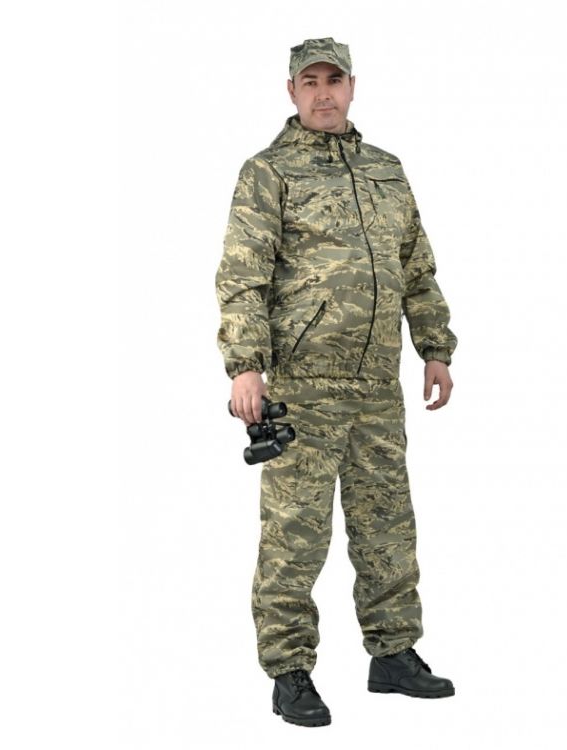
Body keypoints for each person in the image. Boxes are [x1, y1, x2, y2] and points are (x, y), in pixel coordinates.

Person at [215, 37, 458, 728]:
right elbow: (243, 275)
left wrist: (434, 347)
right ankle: (289, 669)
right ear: (291, 91)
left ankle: (394, 652)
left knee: (387, 523)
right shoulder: (269, 172)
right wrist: (245, 365)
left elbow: (416, 266)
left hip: (377, 383)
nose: (324, 93)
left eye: (335, 80)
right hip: (304, 384)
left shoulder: (386, 171)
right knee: (296, 533)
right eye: (310, 82)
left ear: (352, 86)